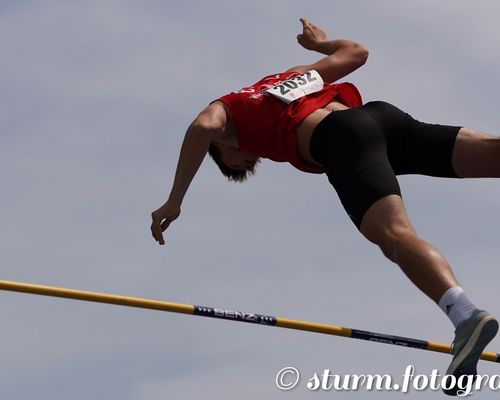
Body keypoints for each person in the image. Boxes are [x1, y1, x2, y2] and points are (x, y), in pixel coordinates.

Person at [150, 18, 498, 395]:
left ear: (222, 144)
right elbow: (357, 53)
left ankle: (465, 317)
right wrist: (321, 45)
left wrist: (175, 198)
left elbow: (201, 127)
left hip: (343, 139)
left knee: (395, 235)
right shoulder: (288, 78)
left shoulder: (228, 112)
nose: (253, 159)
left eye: (242, 161)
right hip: (382, 118)